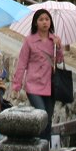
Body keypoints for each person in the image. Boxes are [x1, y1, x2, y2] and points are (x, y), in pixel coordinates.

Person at [11, 8, 63, 144]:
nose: (45, 22)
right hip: (33, 85)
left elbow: (59, 61)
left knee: (49, 118)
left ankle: (45, 147)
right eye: (41, 19)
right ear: (35, 23)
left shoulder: (54, 40)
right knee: (42, 115)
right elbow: (22, 63)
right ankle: (39, 145)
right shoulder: (29, 41)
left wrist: (59, 47)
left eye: (47, 19)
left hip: (50, 84)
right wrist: (16, 85)